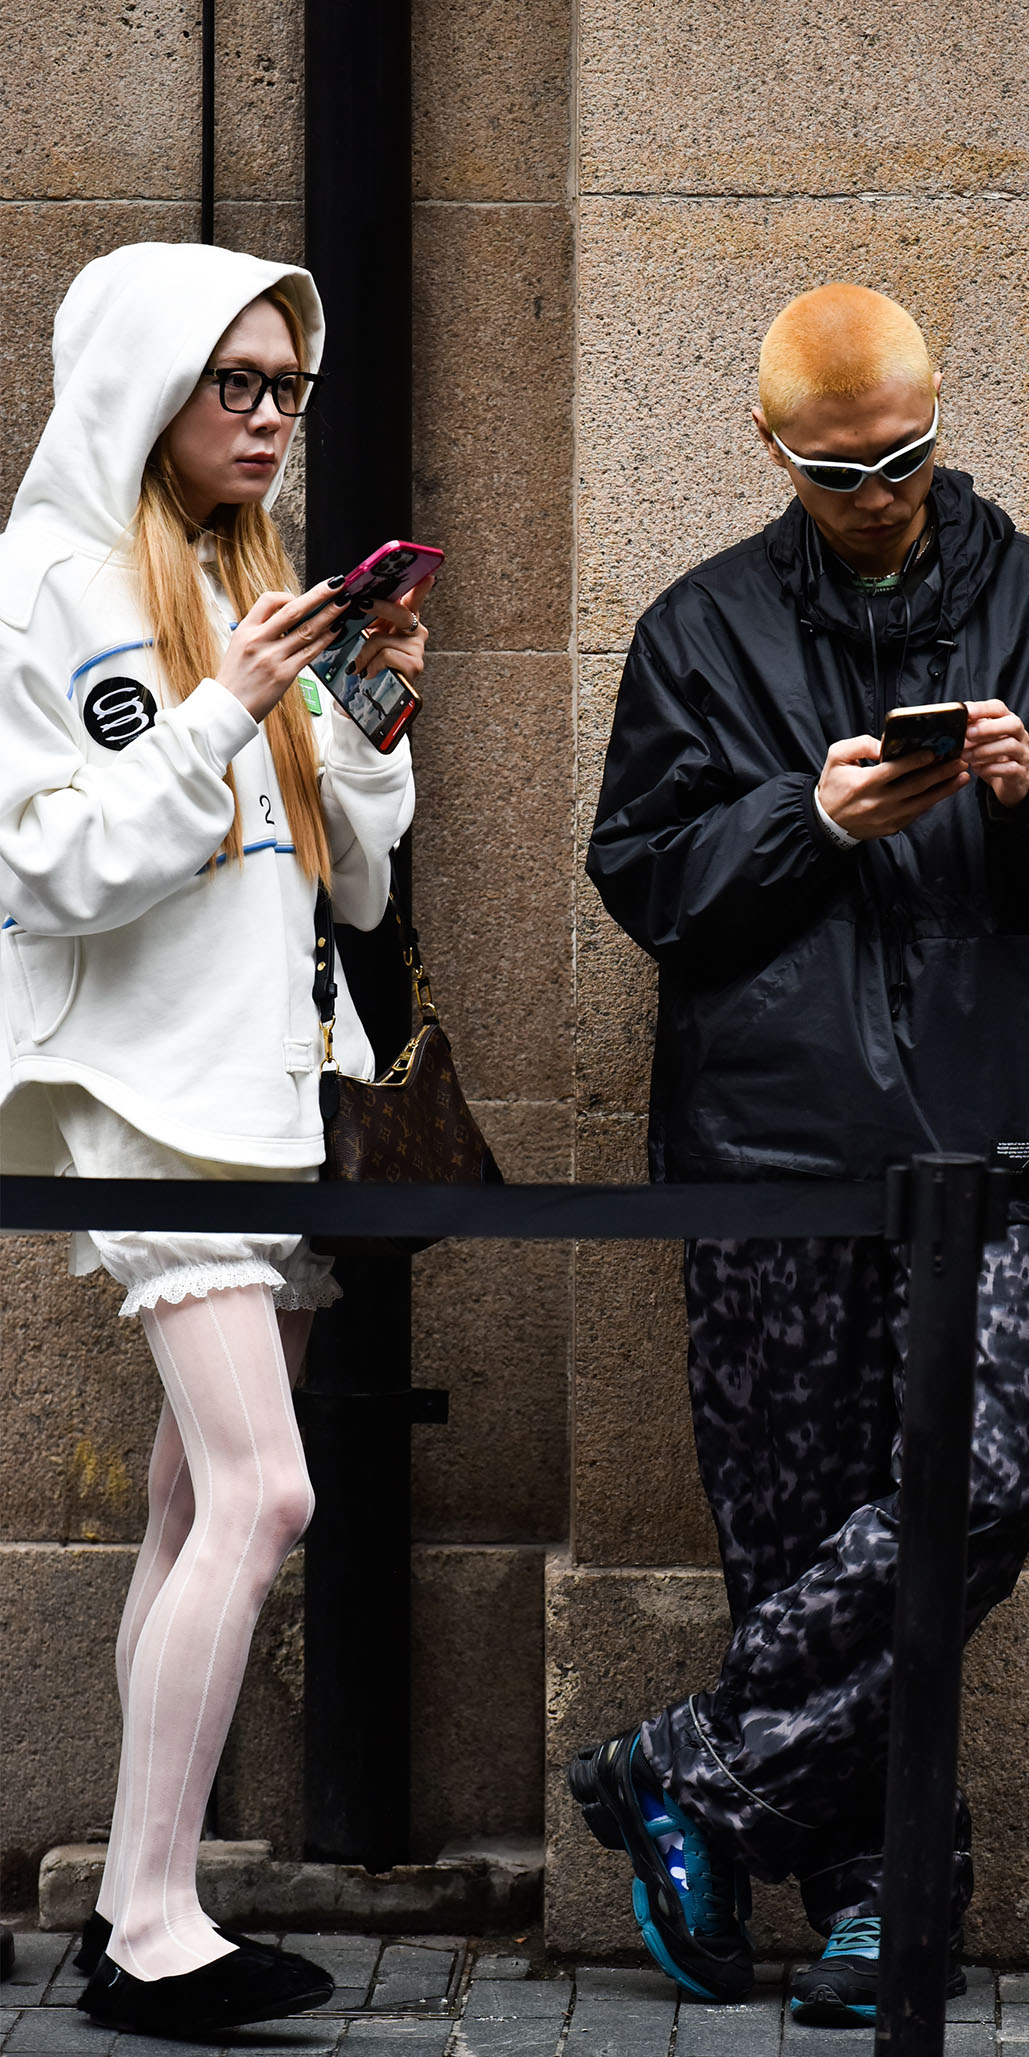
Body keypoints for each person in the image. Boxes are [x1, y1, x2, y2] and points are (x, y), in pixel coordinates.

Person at [571, 283, 1029, 2024]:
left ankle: (686, 1767)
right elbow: (644, 881)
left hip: (980, 1150)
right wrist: (809, 819)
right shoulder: (699, 629)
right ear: (772, 448)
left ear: (942, 421)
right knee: (793, 1540)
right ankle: (877, 1903)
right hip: (768, 1153)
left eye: (908, 458)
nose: (880, 495)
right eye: (841, 469)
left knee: (972, 1497)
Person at [0, 242, 428, 2039]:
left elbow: (357, 877)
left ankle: (133, 1897)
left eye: (287, 388)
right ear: (145, 380)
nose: (268, 418)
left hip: (277, 1093)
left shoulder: (254, 577)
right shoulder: (51, 580)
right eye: (233, 382)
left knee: (195, 1504)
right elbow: (50, 866)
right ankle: (157, 1925)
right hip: (148, 1099)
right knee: (268, 1491)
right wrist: (223, 709)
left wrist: (371, 708)